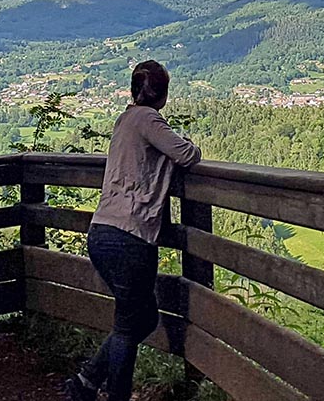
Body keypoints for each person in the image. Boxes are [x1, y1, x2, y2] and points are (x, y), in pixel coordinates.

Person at [65, 60, 201, 401]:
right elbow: (186, 155)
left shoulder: (125, 119)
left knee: (141, 318)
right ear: (163, 94)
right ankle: (113, 394)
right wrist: (190, 144)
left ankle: (87, 381)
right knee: (130, 324)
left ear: (133, 89)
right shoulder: (147, 119)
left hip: (103, 232)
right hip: (131, 236)